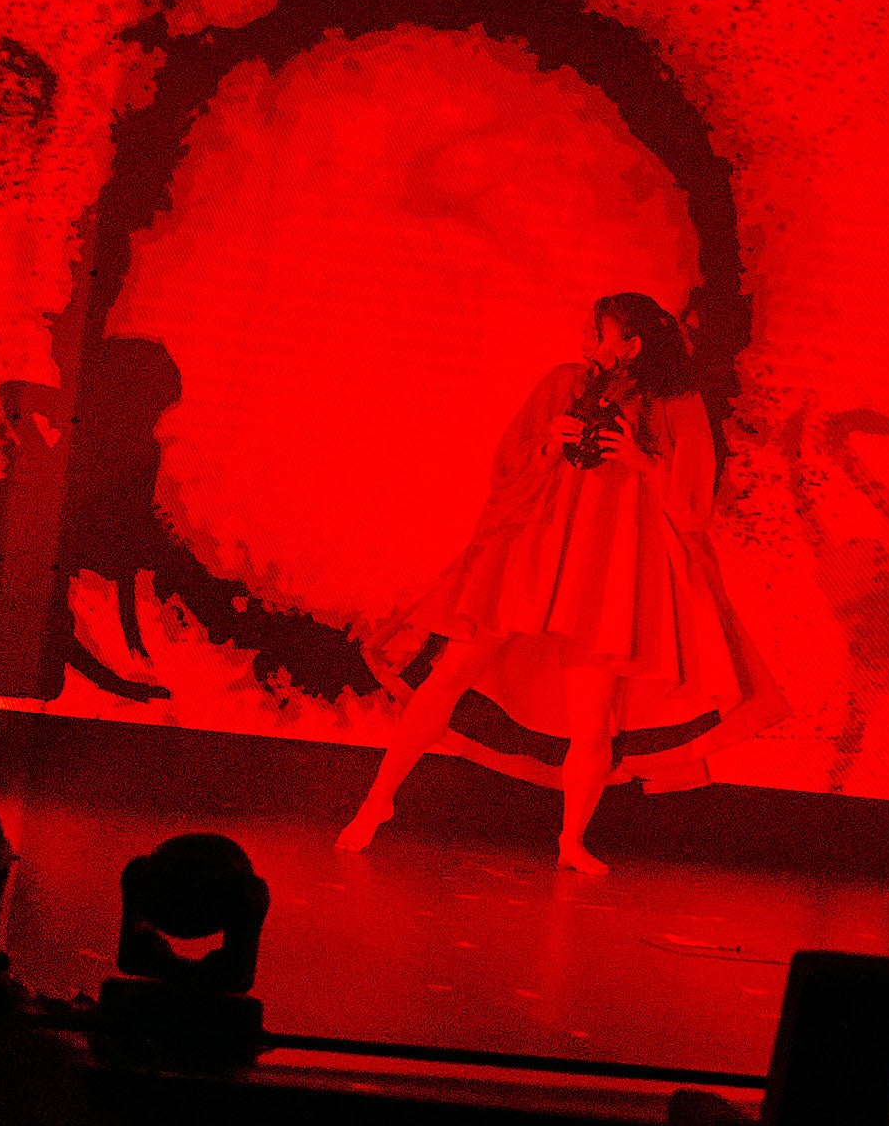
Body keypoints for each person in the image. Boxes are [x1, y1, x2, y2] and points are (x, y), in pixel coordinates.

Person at [335, 294, 783, 873]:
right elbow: (507, 468)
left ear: (632, 344)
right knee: (449, 675)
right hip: (536, 547)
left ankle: (571, 840)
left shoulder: (675, 401)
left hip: (609, 568)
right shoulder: (565, 382)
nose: (590, 343)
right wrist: (551, 442)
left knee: (593, 719)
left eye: (601, 333)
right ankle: (377, 800)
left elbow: (693, 507)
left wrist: (641, 460)